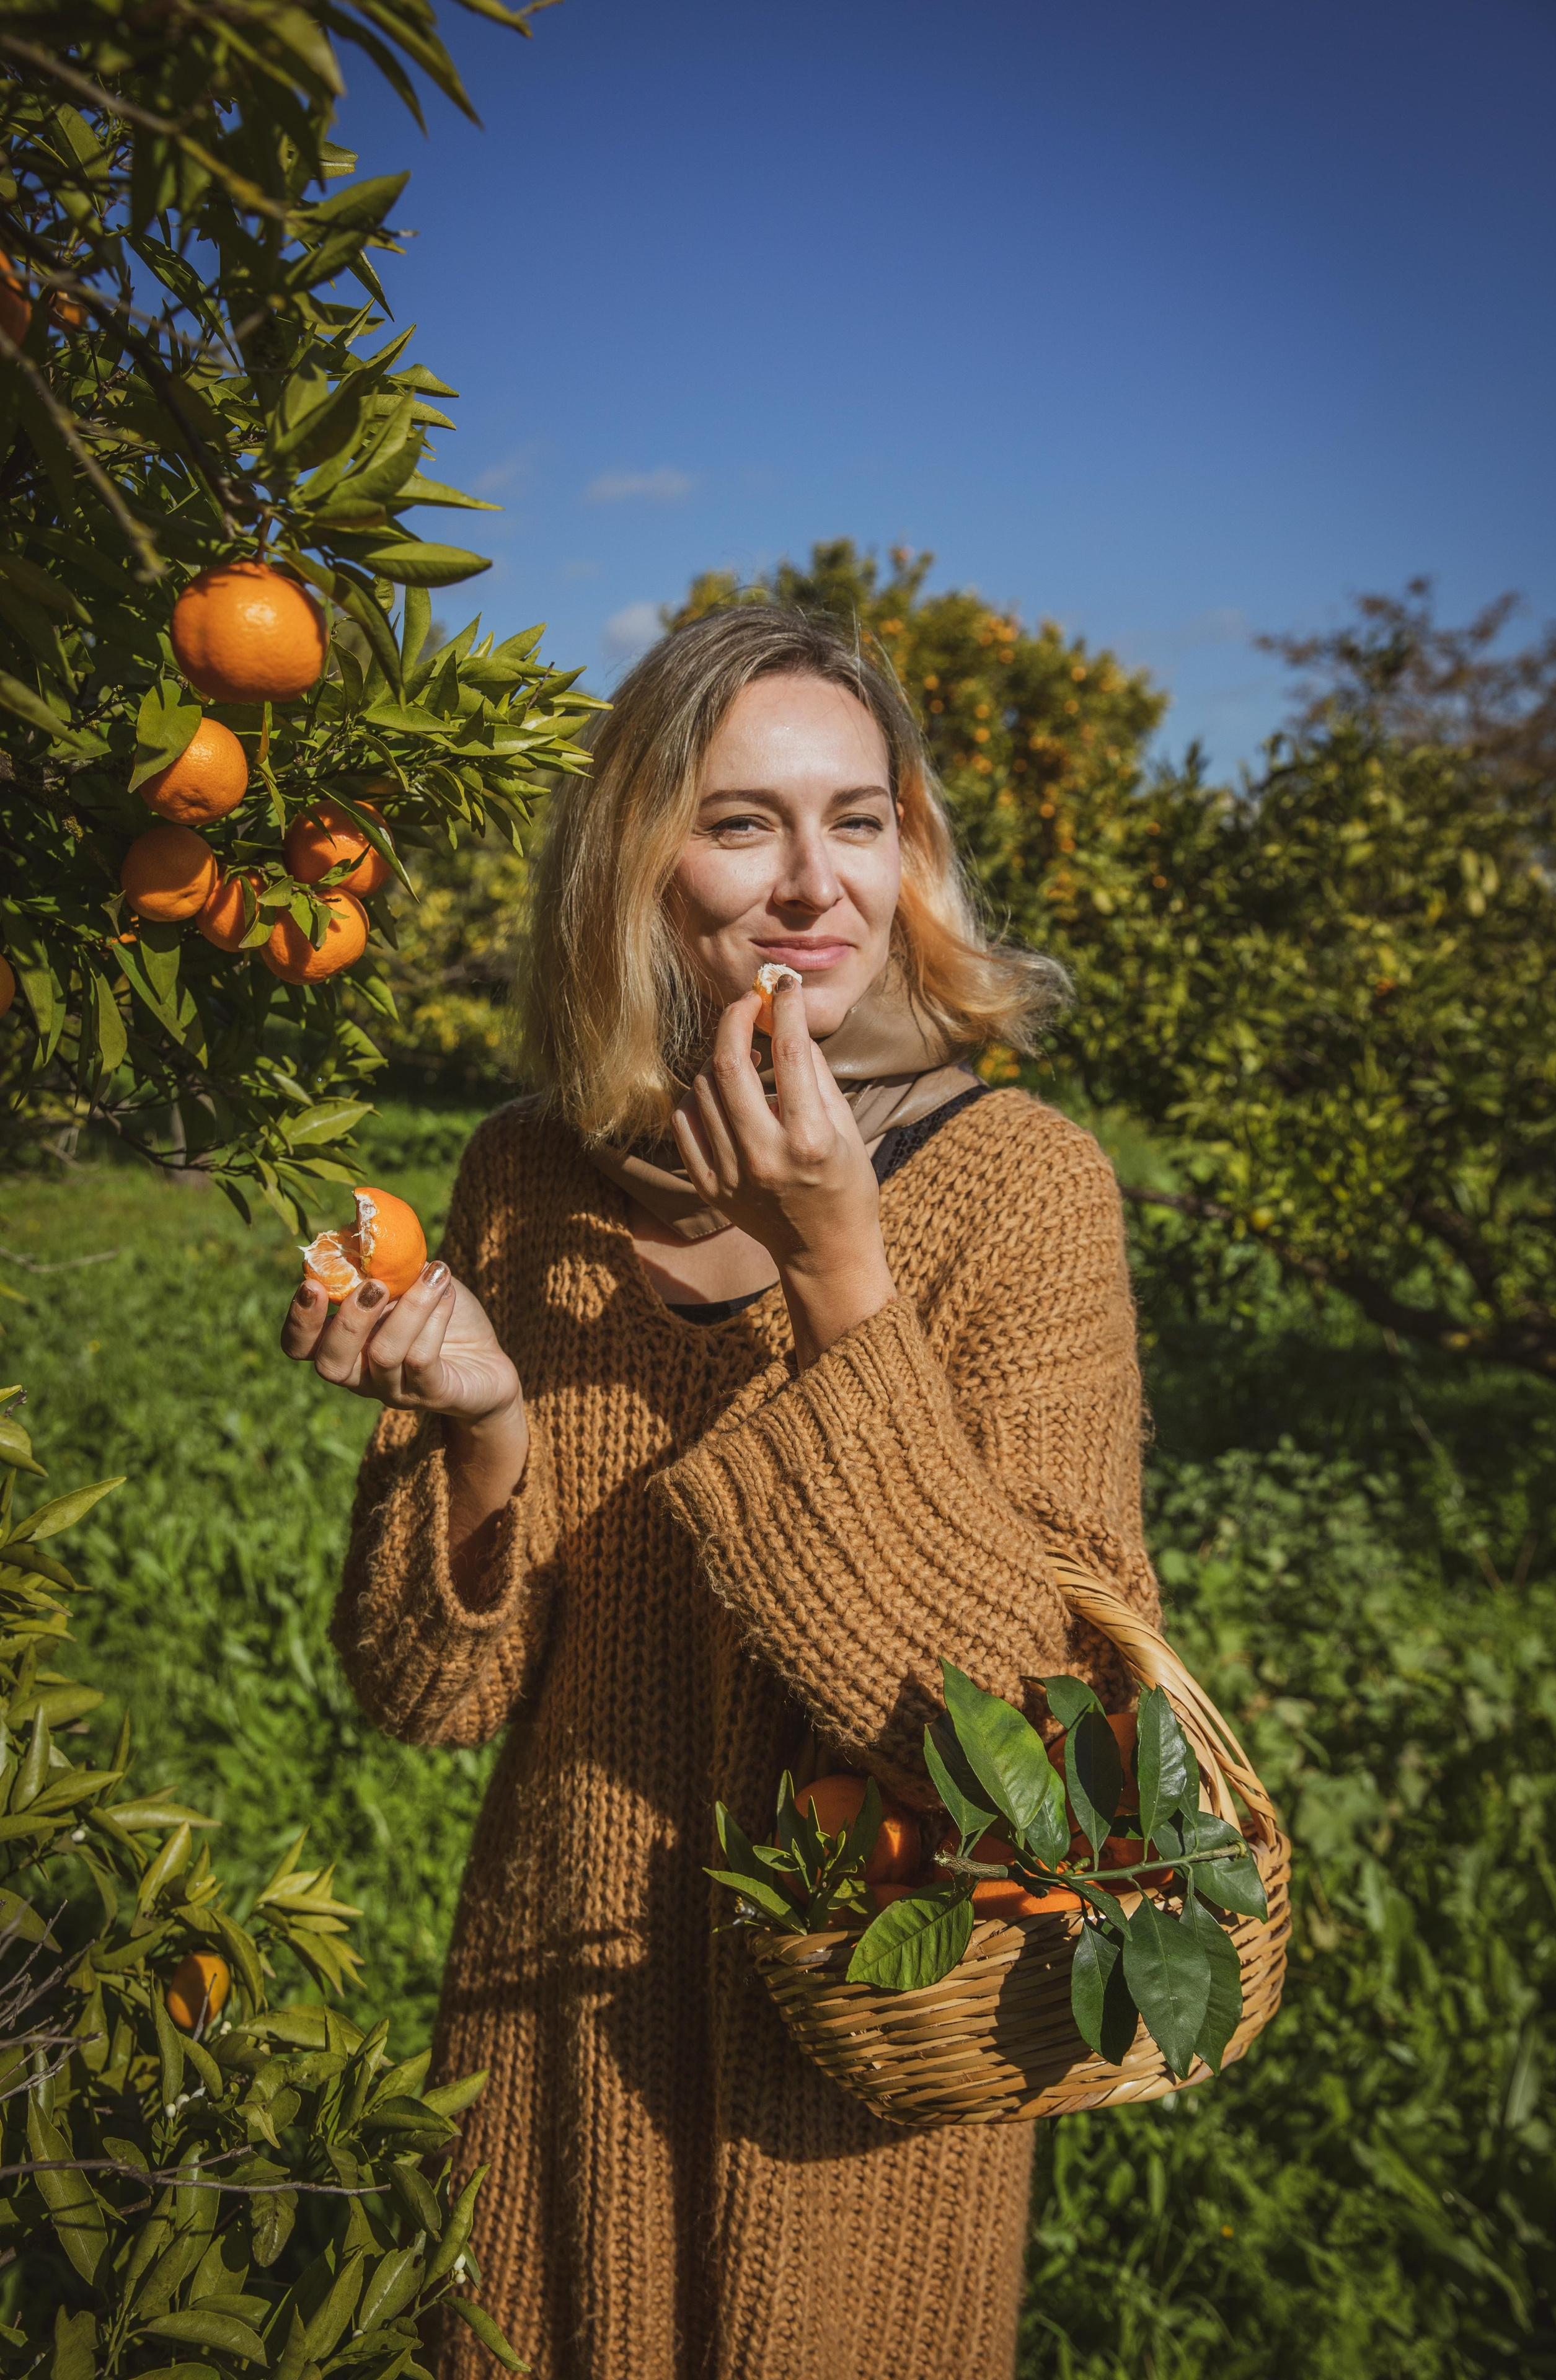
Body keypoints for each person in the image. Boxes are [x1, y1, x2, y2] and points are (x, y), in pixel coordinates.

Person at [283, 605, 1160, 2380]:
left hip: (861, 2066)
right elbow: (424, 1692)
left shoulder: (1022, 1193)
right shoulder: (528, 1174)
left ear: (909, 854)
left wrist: (843, 1275)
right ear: (640, 858)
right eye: (742, 819)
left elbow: (1055, 1753)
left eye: (858, 819)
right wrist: (487, 1429)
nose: (808, 883)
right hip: (553, 2027)